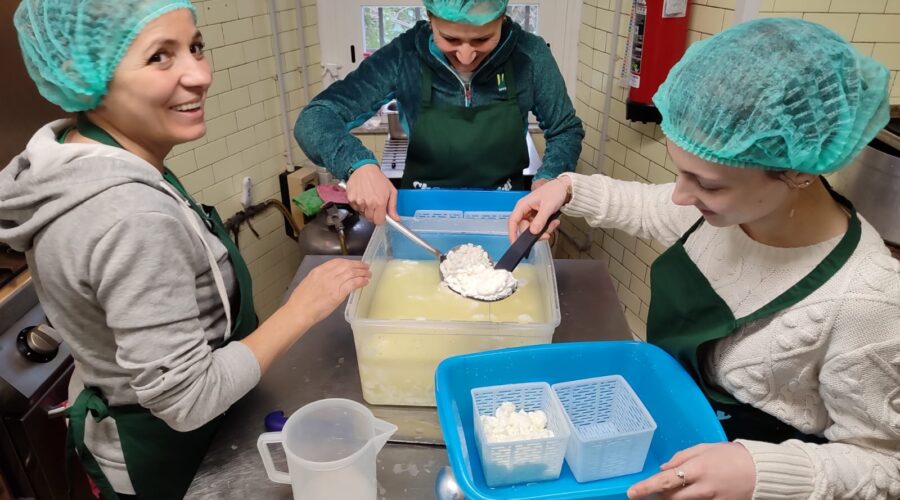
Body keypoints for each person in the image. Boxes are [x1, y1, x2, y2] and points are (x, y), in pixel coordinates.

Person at [510, 18, 899, 500]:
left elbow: (886, 463)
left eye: (708, 184)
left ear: (797, 171)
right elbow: (647, 207)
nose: (679, 196)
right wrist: (566, 188)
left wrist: (762, 472)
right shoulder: (721, 216)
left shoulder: (869, 302)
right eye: (680, 172)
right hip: (667, 447)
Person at [0, 1, 370, 498]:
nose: (199, 74)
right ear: (89, 75)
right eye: (160, 57)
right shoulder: (130, 214)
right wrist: (302, 309)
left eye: (195, 46)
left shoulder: (84, 151)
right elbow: (188, 400)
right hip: (165, 461)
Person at [295, 0, 584, 224]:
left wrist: (548, 180)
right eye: (451, 40)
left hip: (507, 211)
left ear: (503, 18)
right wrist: (357, 164)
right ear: (430, 19)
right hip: (420, 211)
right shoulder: (404, 56)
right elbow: (315, 117)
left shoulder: (529, 56)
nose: (466, 56)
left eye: (482, 40)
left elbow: (565, 129)